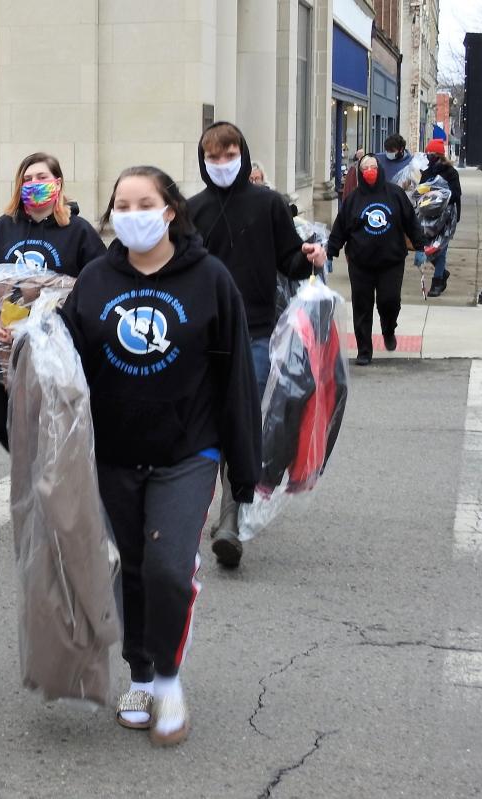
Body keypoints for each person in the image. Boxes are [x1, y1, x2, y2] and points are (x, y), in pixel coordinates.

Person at [59, 166, 261, 746]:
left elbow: (235, 380)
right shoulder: (95, 280)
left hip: (188, 451)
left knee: (171, 567)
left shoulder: (210, 279)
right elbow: (65, 365)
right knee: (135, 567)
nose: (132, 213)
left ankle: (170, 680)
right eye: (121, 204)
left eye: (144, 202)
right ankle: (141, 675)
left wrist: (243, 473)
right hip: (115, 453)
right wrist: (18, 337)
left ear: (169, 210)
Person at [188, 121, 326, 569]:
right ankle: (224, 507)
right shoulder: (194, 211)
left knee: (241, 419)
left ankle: (230, 514)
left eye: (230, 155)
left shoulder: (268, 205)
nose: (222, 164)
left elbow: (288, 259)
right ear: (203, 161)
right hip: (204, 337)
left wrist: (309, 257)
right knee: (210, 424)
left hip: (255, 333)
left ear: (242, 155)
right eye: (214, 157)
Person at [0, 152, 106, 450]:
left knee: (55, 429)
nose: (33, 184)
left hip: (59, 350)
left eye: (41, 177)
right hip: (10, 348)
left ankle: (45, 489)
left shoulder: (79, 232)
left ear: (57, 183)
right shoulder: (3, 228)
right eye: (27, 179)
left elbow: (100, 286)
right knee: (6, 426)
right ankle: (30, 481)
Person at [326, 154, 425, 366]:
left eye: (373, 166)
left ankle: (389, 329)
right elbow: (340, 227)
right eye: (365, 168)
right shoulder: (354, 198)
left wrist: (420, 247)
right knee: (362, 306)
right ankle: (364, 350)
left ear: (379, 169)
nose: (370, 171)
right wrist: (331, 252)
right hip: (360, 263)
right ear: (361, 173)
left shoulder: (395, 194)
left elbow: (411, 221)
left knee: (389, 301)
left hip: (391, 261)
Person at [420, 138, 462, 297]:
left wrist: (439, 197)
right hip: (428, 216)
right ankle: (442, 272)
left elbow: (456, 194)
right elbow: (421, 191)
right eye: (427, 153)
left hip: (446, 216)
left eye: (431, 153)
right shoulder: (427, 172)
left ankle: (437, 283)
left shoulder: (451, 172)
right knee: (427, 249)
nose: (428, 155)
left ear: (438, 154)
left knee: (441, 248)